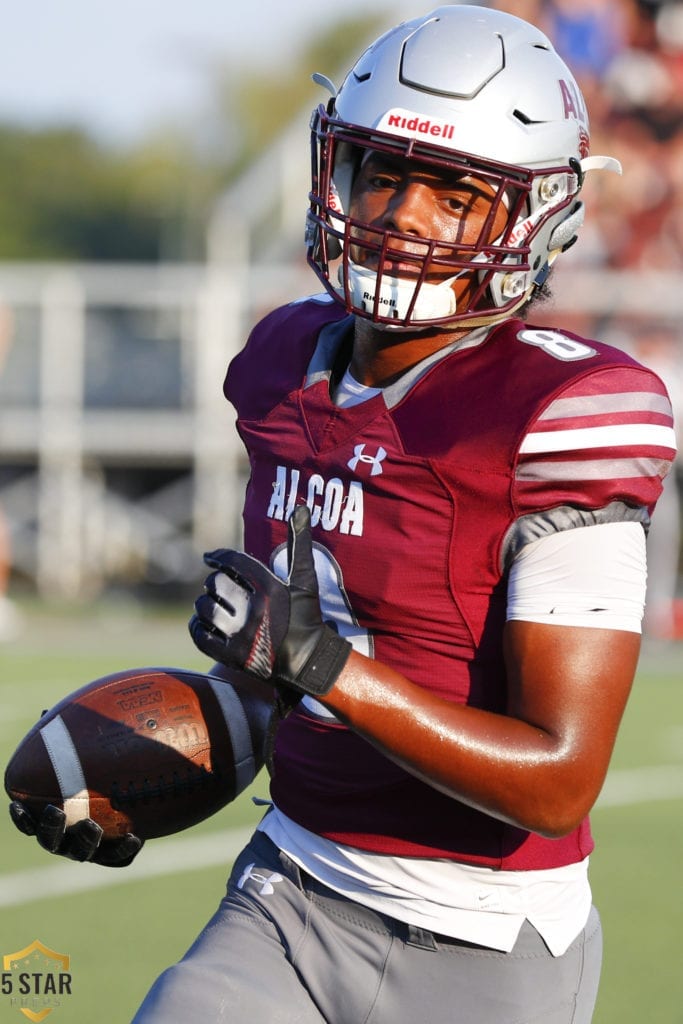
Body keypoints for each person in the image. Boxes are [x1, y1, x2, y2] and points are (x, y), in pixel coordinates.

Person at [9, 6, 677, 1022]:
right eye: (382, 171)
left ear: (532, 216)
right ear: (336, 171)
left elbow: (554, 780)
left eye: (455, 194)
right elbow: (281, 686)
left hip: (488, 942)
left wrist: (324, 667)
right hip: (291, 888)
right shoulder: (284, 366)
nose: (405, 212)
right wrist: (156, 768)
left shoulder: (560, 412)